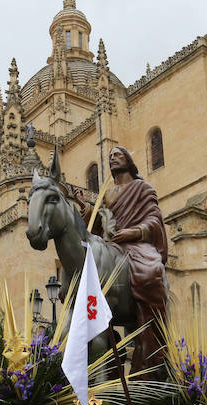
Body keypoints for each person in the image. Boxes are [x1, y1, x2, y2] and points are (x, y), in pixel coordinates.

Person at [78, 146, 168, 375]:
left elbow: (154, 220)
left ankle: (152, 344)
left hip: (137, 244)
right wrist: (86, 209)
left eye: (117, 155)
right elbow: (101, 225)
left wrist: (134, 232)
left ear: (128, 160)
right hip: (113, 245)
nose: (112, 159)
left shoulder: (143, 187)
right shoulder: (107, 194)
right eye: (110, 157)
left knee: (152, 270)